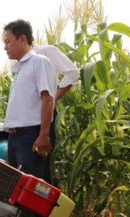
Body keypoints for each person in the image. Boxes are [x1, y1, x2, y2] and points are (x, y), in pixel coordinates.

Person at [2, 19, 56, 179]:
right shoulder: (20, 70)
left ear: (23, 39)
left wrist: (44, 134)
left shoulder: (39, 63)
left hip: (30, 137)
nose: (5, 47)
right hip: (14, 138)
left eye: (8, 42)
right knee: (15, 188)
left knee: (27, 188)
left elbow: (47, 99)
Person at [32, 43, 79, 183]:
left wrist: (54, 97)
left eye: (9, 42)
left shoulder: (45, 52)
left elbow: (73, 72)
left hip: (44, 116)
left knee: (42, 167)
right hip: (28, 120)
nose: (6, 47)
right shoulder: (21, 64)